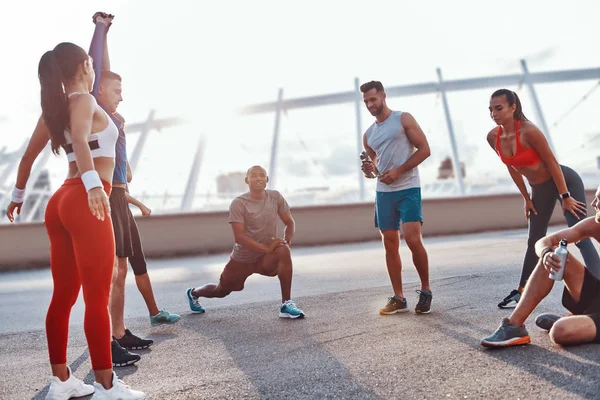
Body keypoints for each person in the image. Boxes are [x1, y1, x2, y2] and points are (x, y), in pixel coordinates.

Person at [31, 31, 144, 399]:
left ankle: (61, 381)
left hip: (61, 199)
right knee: (97, 297)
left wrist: (18, 193)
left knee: (63, 295)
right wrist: (96, 185)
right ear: (84, 67)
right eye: (91, 65)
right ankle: (107, 386)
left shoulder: (57, 105)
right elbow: (80, 138)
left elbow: (27, 158)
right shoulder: (82, 101)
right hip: (86, 197)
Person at [87, 14, 181, 363]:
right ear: (99, 92)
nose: (122, 98)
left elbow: (103, 78)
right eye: (117, 91)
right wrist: (101, 30)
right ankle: (107, 338)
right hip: (107, 193)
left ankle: (119, 330)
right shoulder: (97, 111)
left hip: (120, 194)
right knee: (111, 269)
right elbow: (97, 70)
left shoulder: (115, 118)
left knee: (122, 268)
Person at [486, 89, 600, 309]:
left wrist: (565, 196)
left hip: (563, 181)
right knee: (534, 240)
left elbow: (552, 163)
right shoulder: (493, 137)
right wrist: (526, 198)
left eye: (498, 108)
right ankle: (521, 290)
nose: (493, 113)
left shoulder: (529, 132)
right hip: (538, 189)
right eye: (490, 109)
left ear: (513, 107)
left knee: (581, 235)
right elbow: (511, 167)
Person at [481, 186, 600, 348]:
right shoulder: (594, 224)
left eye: (599, 200)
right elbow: (544, 242)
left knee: (559, 332)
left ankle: (574, 323)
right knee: (555, 253)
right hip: (596, 297)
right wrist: (545, 254)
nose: (593, 203)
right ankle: (514, 326)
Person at [186, 166, 305, 319]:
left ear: (267, 180)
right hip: (242, 259)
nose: (259, 178)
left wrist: (286, 241)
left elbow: (289, 222)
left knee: (283, 250)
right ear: (247, 180)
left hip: (264, 258)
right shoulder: (238, 203)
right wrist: (266, 249)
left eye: (262, 175)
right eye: (254, 176)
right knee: (220, 291)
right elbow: (239, 237)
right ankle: (193, 292)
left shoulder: (275, 197)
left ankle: (286, 304)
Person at [360, 81, 433, 315]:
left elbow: (424, 150)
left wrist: (400, 170)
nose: (370, 105)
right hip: (384, 193)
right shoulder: (369, 135)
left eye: (373, 99)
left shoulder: (403, 119)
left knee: (412, 239)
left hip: (409, 188)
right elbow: (374, 168)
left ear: (383, 96)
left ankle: (426, 290)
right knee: (390, 243)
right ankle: (399, 298)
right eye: (366, 102)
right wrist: (369, 170)